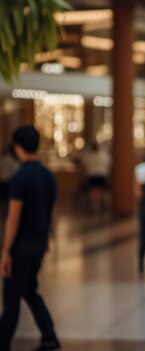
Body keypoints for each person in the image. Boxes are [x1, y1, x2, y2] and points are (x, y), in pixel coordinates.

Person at [0, 126, 60, 350]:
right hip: (37, 246)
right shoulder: (47, 176)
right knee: (29, 290)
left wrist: (6, 250)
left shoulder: (20, 177)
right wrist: (47, 238)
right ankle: (49, 335)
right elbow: (52, 211)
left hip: (21, 247)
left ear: (18, 146)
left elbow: (13, 217)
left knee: (12, 298)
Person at [79, 143, 111, 211]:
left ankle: (96, 204)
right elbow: (109, 164)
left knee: (94, 190)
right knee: (99, 190)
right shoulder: (103, 155)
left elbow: (84, 166)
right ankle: (98, 204)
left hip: (93, 174)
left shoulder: (89, 156)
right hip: (101, 174)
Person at [0, 146, 20, 228]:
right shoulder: (12, 160)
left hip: (2, 183)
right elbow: (17, 170)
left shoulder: (3, 158)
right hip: (8, 183)